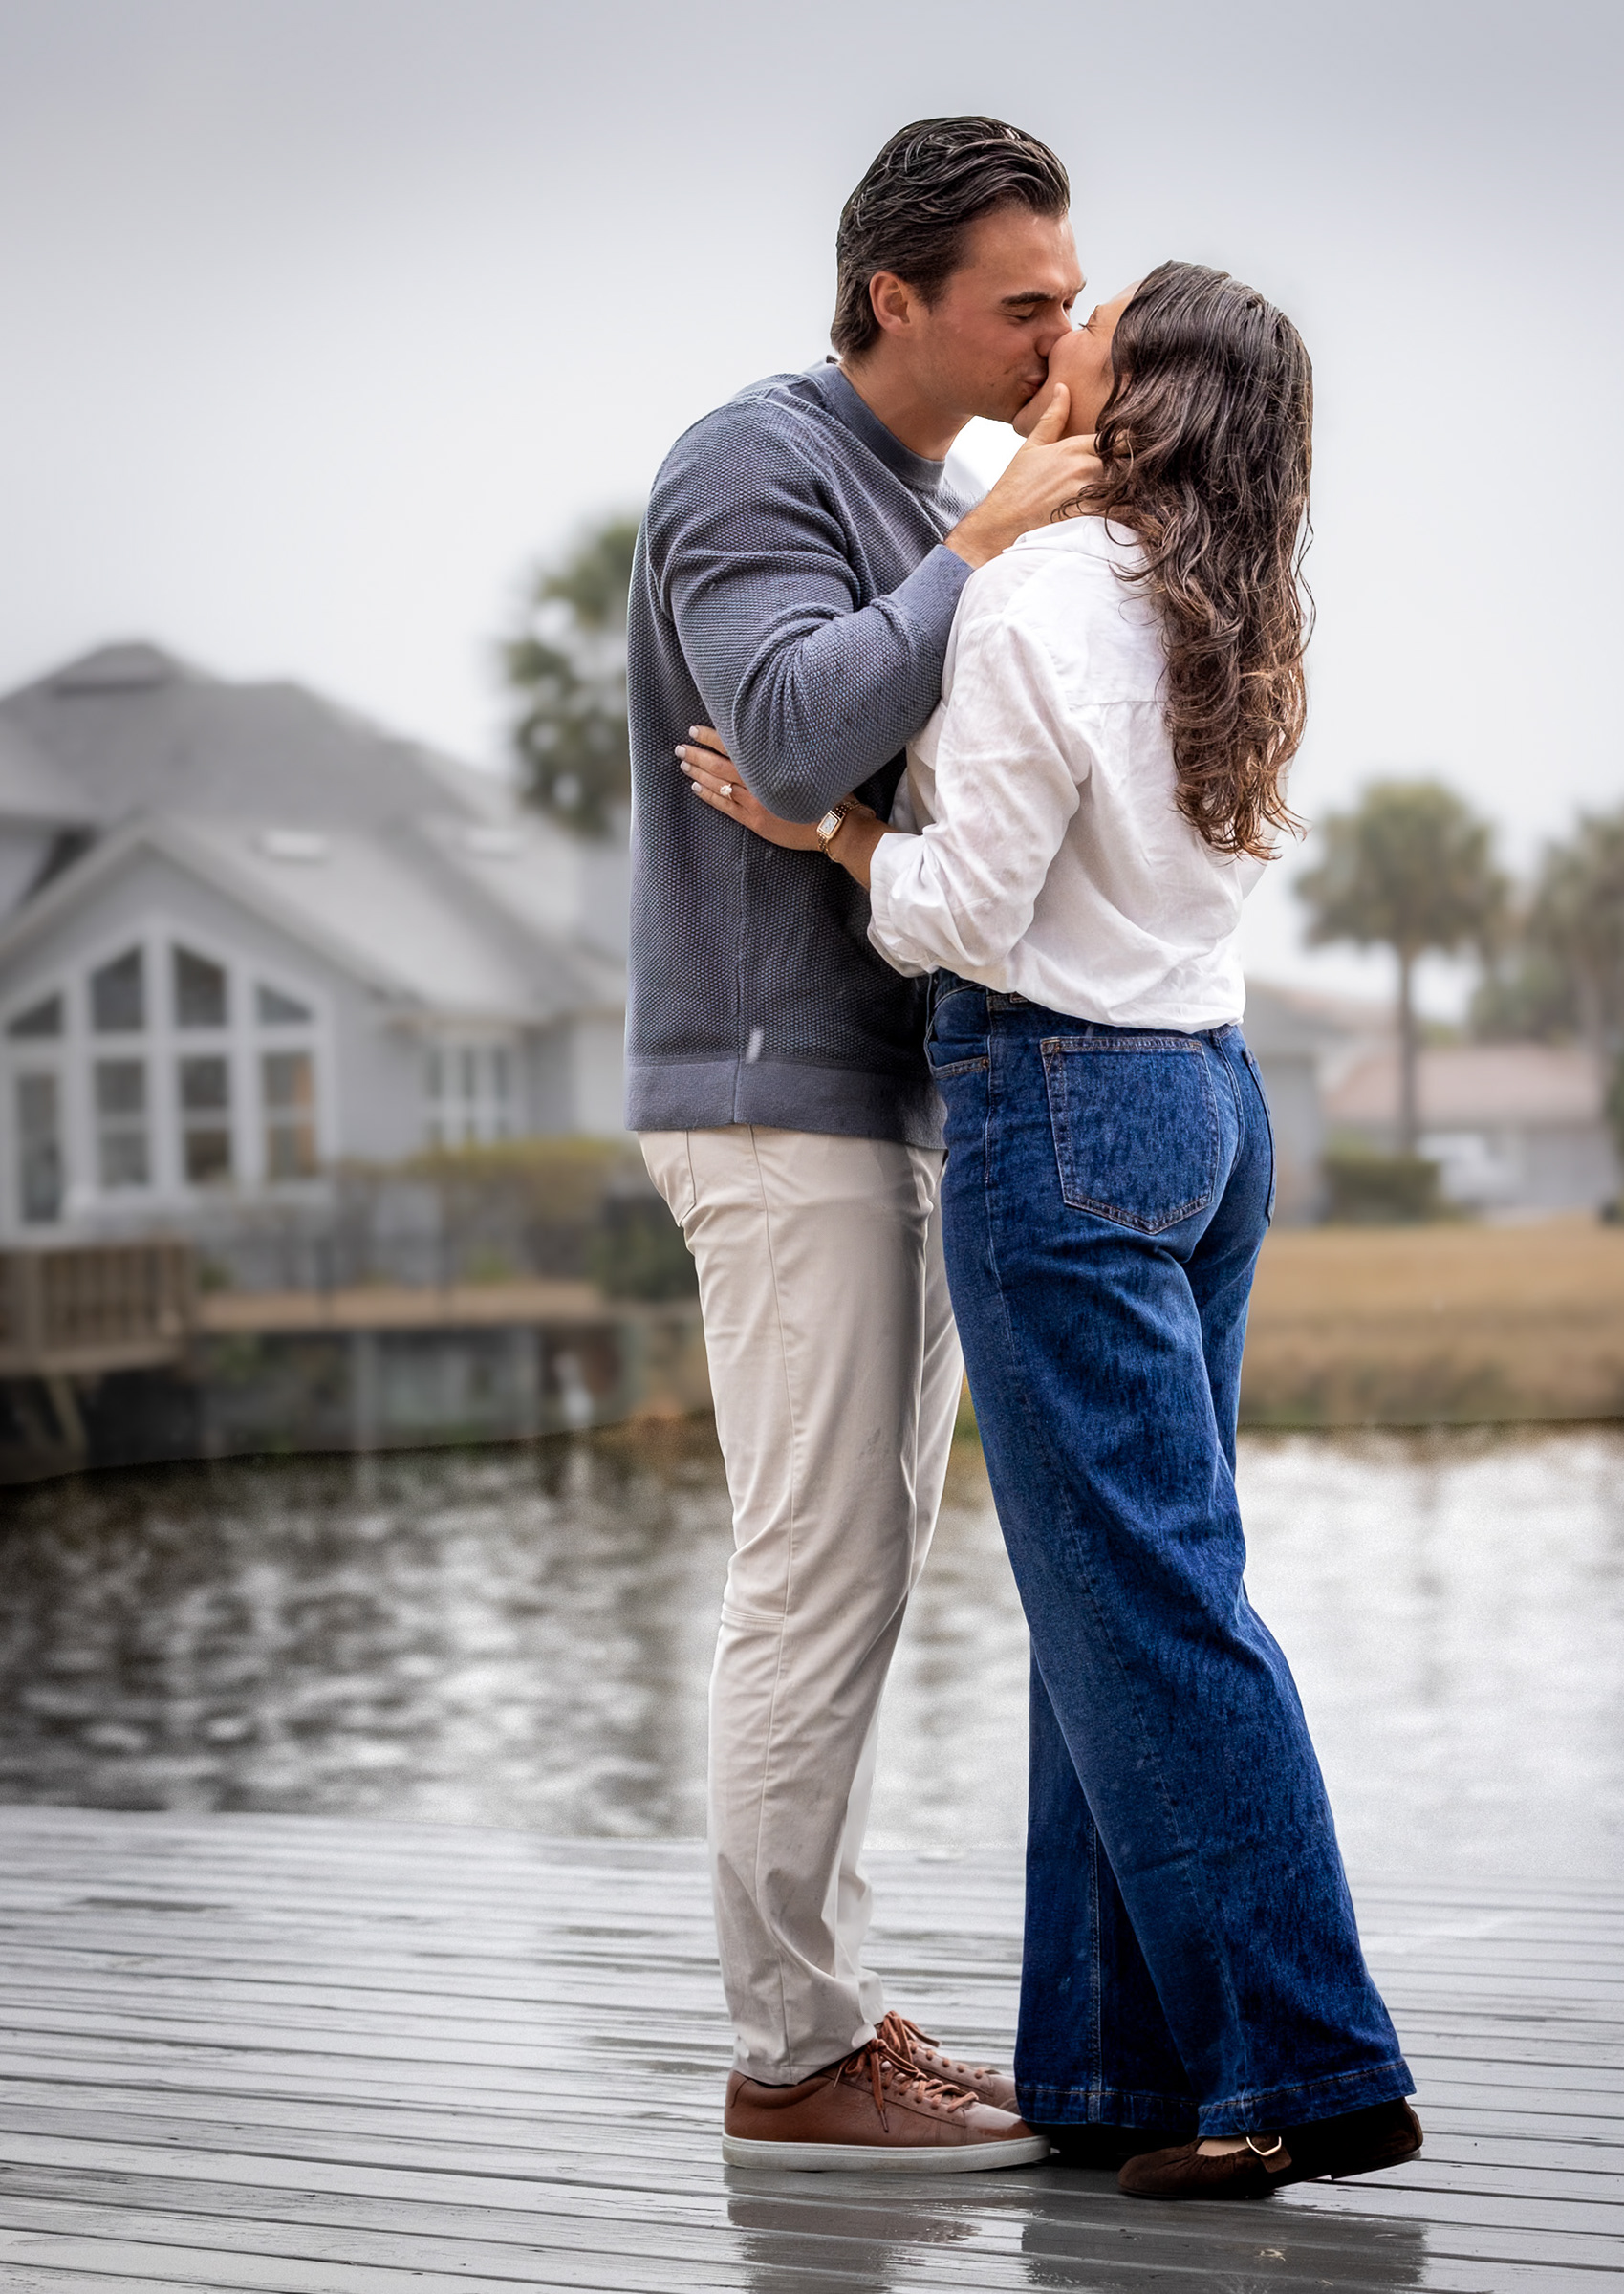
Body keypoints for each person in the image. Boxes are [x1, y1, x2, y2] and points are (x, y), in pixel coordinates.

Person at [681, 261, 1422, 2200]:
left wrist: (831, 839)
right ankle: (1114, 2071)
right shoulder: (1229, 608)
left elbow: (960, 912)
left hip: (1063, 1106)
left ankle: (1300, 2068)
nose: (1056, 339)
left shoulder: (1029, 598)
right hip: (1210, 1110)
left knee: (1150, 1606)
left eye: (1094, 321)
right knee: (1120, 1602)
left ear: (1139, 390)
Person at [625, 117, 1101, 2169]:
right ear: (890, 294)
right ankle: (788, 2063)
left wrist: (993, 526)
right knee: (814, 1583)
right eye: (1025, 304)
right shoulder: (752, 466)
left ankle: (828, 2013)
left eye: (1069, 298)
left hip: (884, 1093)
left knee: (866, 1581)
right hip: (771, 1097)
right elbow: (799, 726)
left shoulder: (933, 489)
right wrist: (983, 554)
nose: (1055, 333)